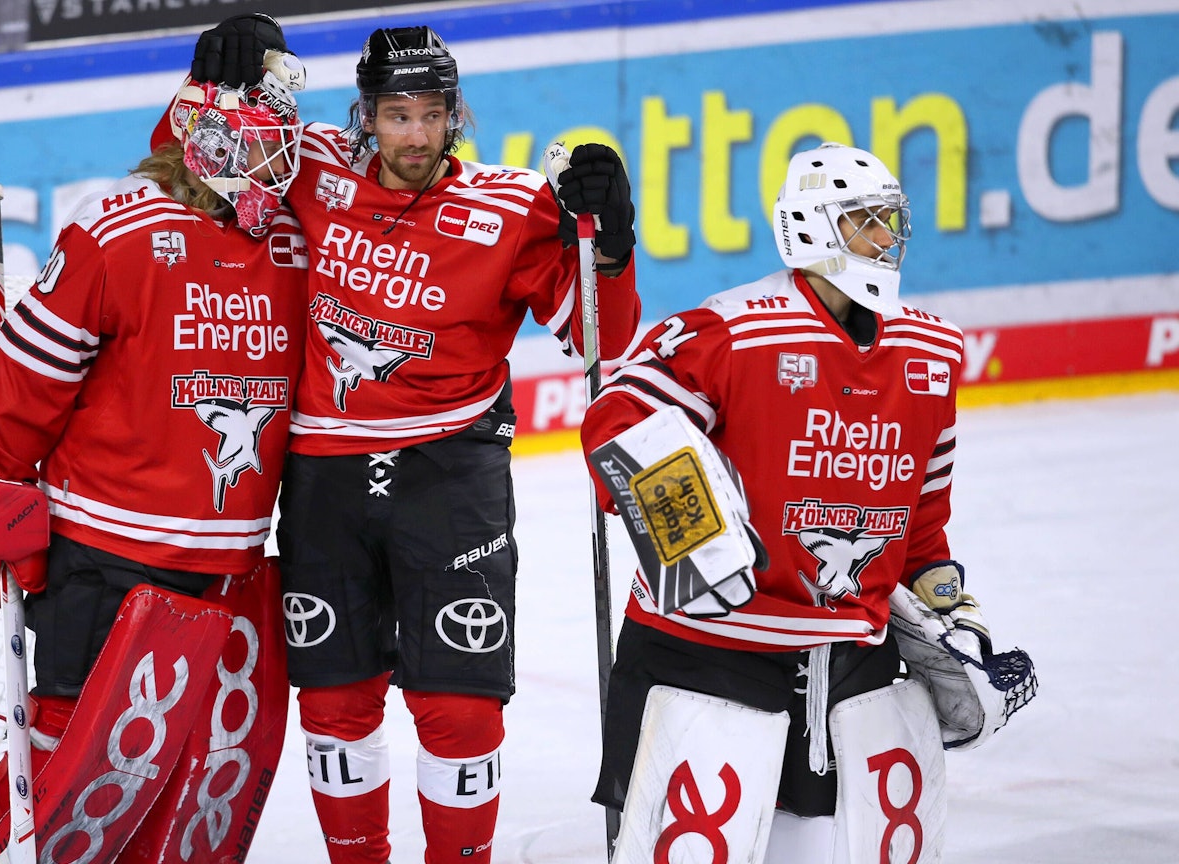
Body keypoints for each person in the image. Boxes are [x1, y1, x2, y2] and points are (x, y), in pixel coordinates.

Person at [186, 16, 642, 864]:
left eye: (433, 114)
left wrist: (609, 253)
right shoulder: (311, 166)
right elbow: (200, 166)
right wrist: (212, 85)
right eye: (398, 115)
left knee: (461, 710)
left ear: (455, 115)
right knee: (334, 704)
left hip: (452, 472)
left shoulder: (508, 207)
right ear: (365, 114)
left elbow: (596, 342)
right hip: (324, 470)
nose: (417, 135)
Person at [581, 143, 1036, 863]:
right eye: (866, 222)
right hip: (704, 652)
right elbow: (618, 420)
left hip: (845, 663)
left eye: (892, 222)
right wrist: (692, 538)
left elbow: (922, 520)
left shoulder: (932, 351)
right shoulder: (732, 330)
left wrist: (950, 609)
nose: (887, 239)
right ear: (811, 230)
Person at [0, 57, 310, 864]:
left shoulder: (289, 242)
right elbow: (14, 400)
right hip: (105, 562)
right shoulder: (116, 232)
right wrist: (11, 507)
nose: (282, 167)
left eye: (285, 148)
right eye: (263, 149)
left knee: (175, 782)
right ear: (208, 147)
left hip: (227, 576)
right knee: (74, 771)